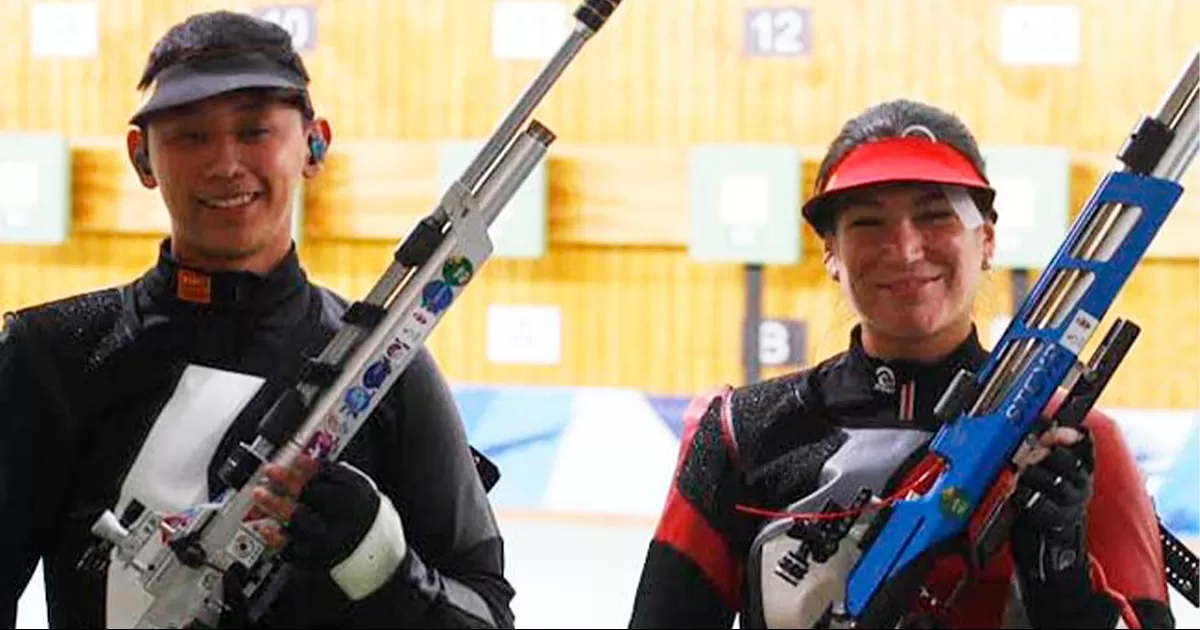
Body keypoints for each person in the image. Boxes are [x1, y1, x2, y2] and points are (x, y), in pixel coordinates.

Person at [0, 10, 515, 629]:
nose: (225, 163)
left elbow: (486, 615)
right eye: (191, 135)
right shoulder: (53, 356)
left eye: (254, 131)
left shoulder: (385, 370)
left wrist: (382, 564)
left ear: (314, 144)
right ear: (142, 157)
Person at [627, 99, 1176, 629]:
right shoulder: (740, 432)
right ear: (831, 254)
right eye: (869, 223)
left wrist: (1057, 566)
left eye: (935, 215)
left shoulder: (1070, 440)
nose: (906, 248)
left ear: (986, 240)